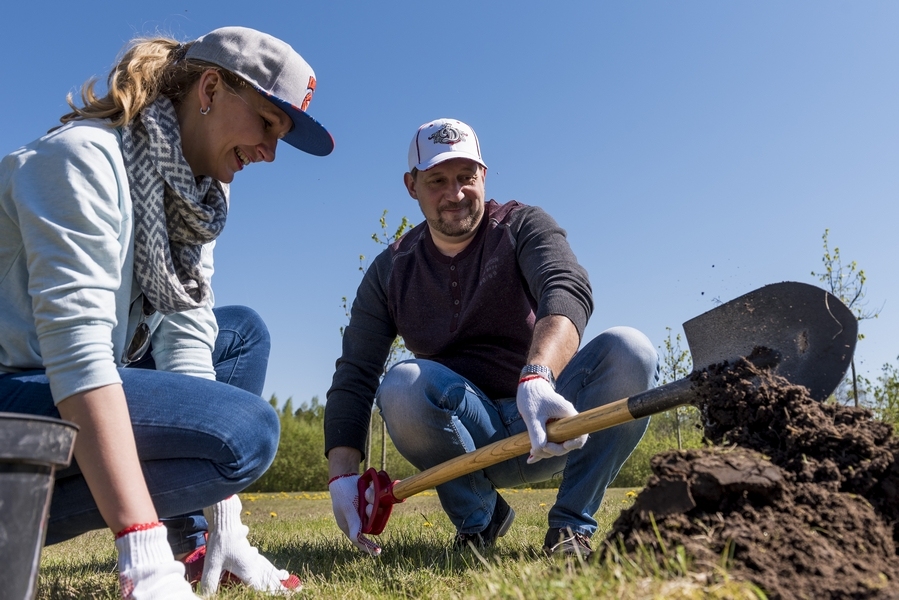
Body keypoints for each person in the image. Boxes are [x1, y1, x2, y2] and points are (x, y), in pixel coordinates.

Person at [0, 26, 333, 598]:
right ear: (210, 89)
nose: (270, 153)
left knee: (239, 333)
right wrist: (140, 553)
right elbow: (78, 357)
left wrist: (227, 522)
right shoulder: (82, 160)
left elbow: (186, 341)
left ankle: (198, 541)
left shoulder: (194, 202)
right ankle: (141, 546)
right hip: (18, 391)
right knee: (244, 432)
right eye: (267, 124)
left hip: (60, 387)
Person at [325, 118, 658, 558]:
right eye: (437, 180)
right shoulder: (392, 270)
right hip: (465, 433)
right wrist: (343, 476)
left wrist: (537, 376)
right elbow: (356, 372)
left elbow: (566, 285)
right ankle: (480, 520)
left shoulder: (522, 225)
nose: (455, 193)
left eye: (466, 177)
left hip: (551, 418)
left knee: (630, 350)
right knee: (401, 385)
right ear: (412, 185)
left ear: (483, 175)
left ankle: (570, 527)